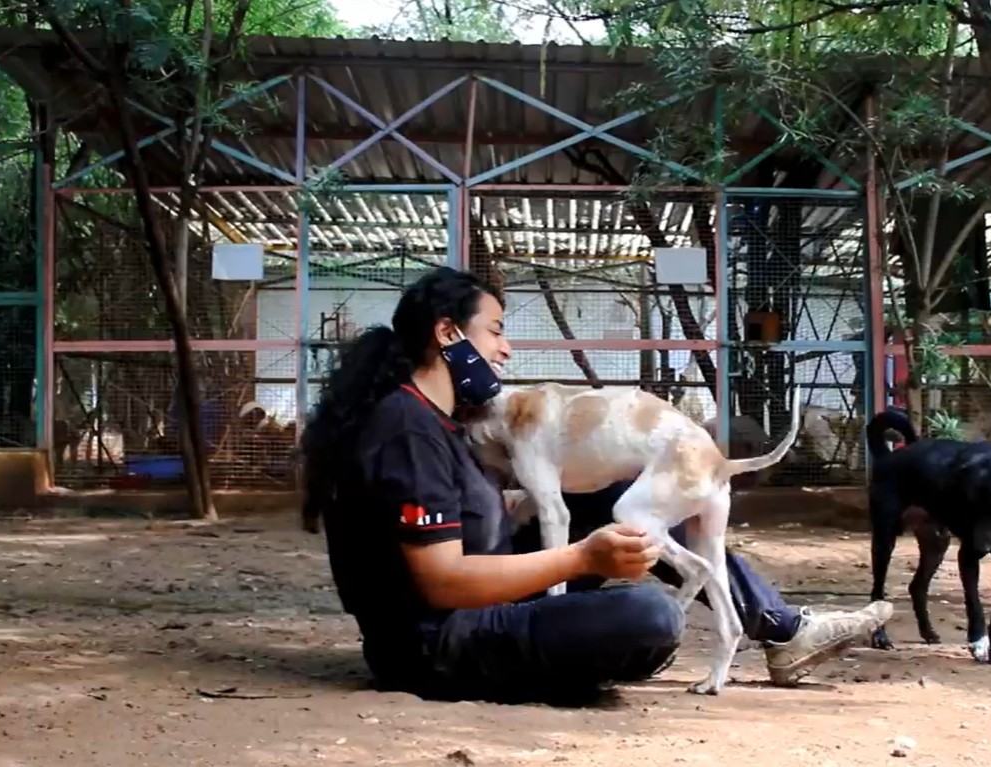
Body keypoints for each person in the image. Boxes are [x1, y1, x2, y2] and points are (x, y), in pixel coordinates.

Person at [302, 266, 893, 704]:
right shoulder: (406, 427)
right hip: (436, 644)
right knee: (648, 617)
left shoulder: (441, 422)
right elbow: (443, 580)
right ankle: (571, 643)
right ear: (448, 335)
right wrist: (581, 558)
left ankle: (782, 629)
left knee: (613, 501)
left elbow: (460, 518)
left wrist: (525, 510)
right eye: (496, 331)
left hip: (479, 605)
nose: (505, 349)